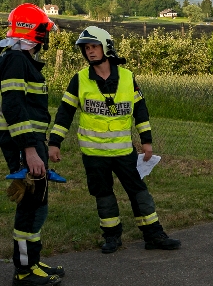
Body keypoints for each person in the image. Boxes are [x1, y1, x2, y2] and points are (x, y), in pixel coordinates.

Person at [48, 27, 181, 254]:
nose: (90, 52)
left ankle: (154, 235)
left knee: (139, 192)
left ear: (106, 47)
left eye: (94, 46)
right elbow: (64, 113)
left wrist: (147, 142)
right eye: (86, 48)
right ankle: (111, 237)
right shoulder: (79, 79)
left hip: (123, 152)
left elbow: (140, 111)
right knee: (103, 195)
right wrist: (54, 143)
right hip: (94, 154)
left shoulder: (128, 77)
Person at [0, 3, 64, 286]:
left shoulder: (17, 58)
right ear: (32, 31)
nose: (46, 37)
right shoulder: (16, 60)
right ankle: (24, 270)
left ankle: (32, 261)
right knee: (31, 205)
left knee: (37, 203)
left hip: (29, 142)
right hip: (24, 144)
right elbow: (14, 107)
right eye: (44, 31)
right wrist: (30, 151)